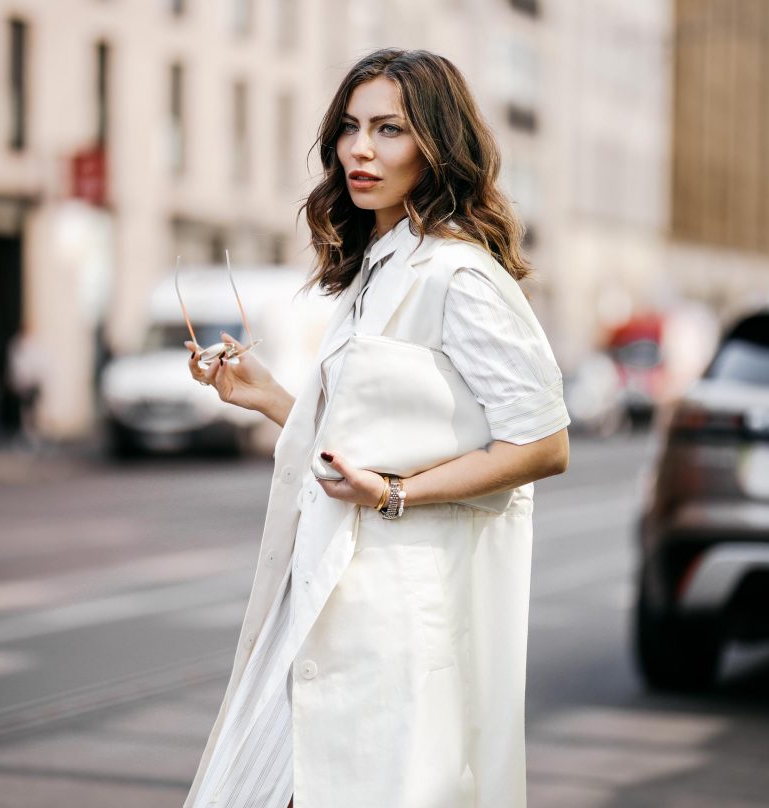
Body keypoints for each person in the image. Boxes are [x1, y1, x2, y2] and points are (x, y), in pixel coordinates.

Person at [183, 49, 570, 808]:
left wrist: (395, 491)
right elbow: (372, 435)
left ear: (436, 144)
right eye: (349, 128)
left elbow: (543, 443)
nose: (359, 150)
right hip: (324, 599)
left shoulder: (458, 276)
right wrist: (271, 399)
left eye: (389, 130)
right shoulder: (378, 267)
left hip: (395, 616)